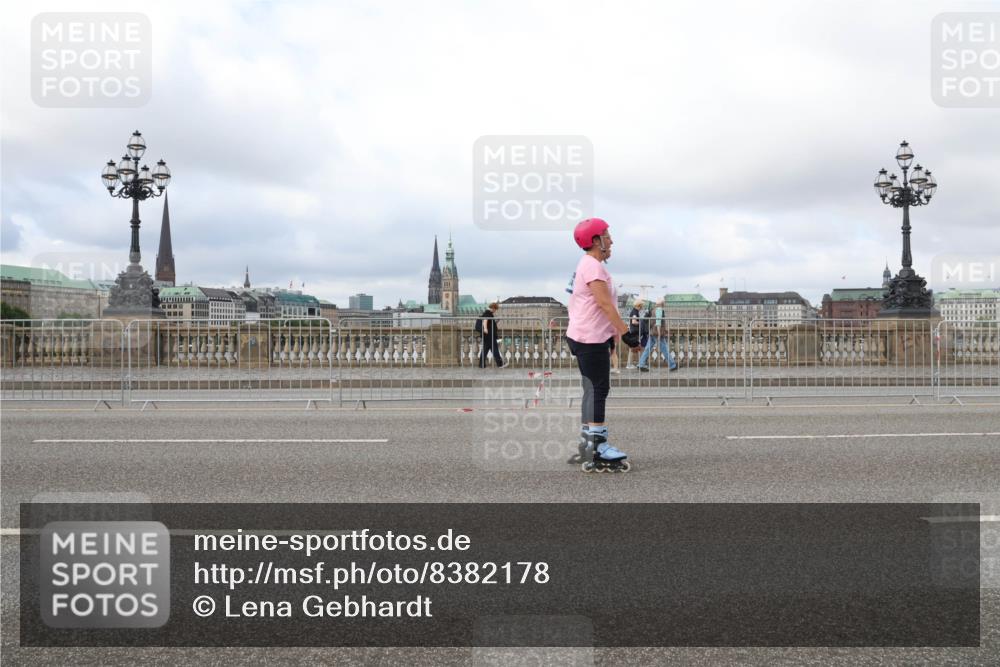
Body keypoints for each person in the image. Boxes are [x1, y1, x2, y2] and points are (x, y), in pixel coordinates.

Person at [565, 218, 641, 472]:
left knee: (590, 390)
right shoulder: (593, 267)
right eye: (607, 236)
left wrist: (611, 336)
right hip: (590, 338)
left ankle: (587, 441)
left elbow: (584, 305)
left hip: (585, 335)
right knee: (598, 389)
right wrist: (627, 334)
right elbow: (604, 305)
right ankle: (598, 447)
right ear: (596, 240)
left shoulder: (585, 264)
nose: (612, 240)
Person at [638, 298, 677, 372]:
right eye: (664, 302)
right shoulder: (659, 310)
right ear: (662, 304)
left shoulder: (653, 310)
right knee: (664, 349)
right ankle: (672, 365)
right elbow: (658, 322)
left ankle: (641, 364)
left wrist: (665, 330)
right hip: (656, 333)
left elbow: (653, 322)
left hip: (652, 332)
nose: (665, 304)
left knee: (647, 349)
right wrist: (659, 333)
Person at [478, 302, 506, 368]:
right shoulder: (488, 313)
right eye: (495, 309)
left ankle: (481, 365)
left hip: (488, 335)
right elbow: (485, 320)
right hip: (489, 335)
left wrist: (496, 321)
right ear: (493, 308)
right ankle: (500, 364)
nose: (495, 311)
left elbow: (489, 324)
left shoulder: (488, 313)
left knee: (485, 350)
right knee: (495, 349)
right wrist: (485, 329)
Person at [626, 298, 649, 369]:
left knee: (635, 348)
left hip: (634, 332)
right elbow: (634, 321)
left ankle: (636, 363)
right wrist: (640, 322)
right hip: (635, 332)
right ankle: (630, 364)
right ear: (639, 305)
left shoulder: (634, 311)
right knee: (634, 348)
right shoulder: (635, 312)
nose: (642, 307)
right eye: (641, 306)